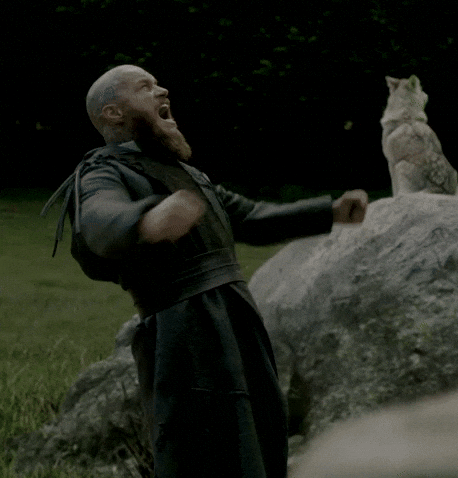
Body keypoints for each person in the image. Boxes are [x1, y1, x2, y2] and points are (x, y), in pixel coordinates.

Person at [42, 64, 368, 478]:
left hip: (236, 324)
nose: (162, 90)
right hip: (184, 335)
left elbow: (248, 217)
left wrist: (329, 212)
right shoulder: (103, 171)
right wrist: (147, 220)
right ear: (113, 113)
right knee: (202, 450)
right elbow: (98, 219)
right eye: (145, 87)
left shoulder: (187, 175)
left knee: (258, 436)